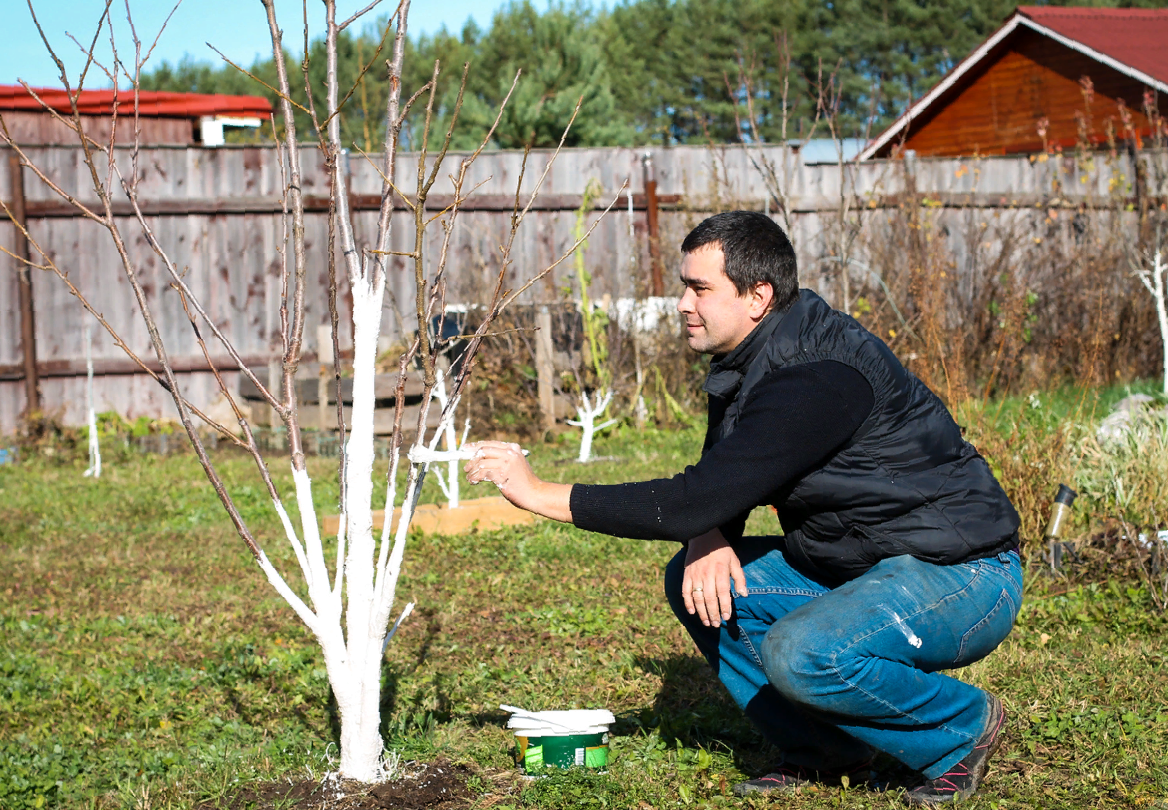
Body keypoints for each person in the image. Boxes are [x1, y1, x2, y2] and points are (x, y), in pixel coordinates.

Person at [464, 210, 1022, 806]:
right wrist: (711, 535)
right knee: (696, 578)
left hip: (960, 575)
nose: (682, 303)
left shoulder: (818, 376)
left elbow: (692, 499)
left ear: (759, 296)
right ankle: (825, 750)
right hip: (857, 565)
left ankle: (961, 728)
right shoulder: (749, 358)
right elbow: (722, 480)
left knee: (803, 653)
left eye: (699, 288)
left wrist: (541, 494)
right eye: (684, 285)